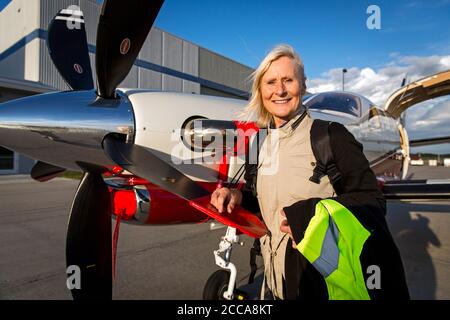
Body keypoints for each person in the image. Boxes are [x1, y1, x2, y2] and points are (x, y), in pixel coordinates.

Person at [210, 44, 409, 300]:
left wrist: (309, 217)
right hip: (273, 282)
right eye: (271, 82)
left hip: (320, 282)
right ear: (260, 89)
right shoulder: (257, 142)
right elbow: (262, 200)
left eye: (288, 80)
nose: (279, 90)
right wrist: (238, 197)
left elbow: (371, 202)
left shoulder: (331, 136)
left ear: (303, 86)